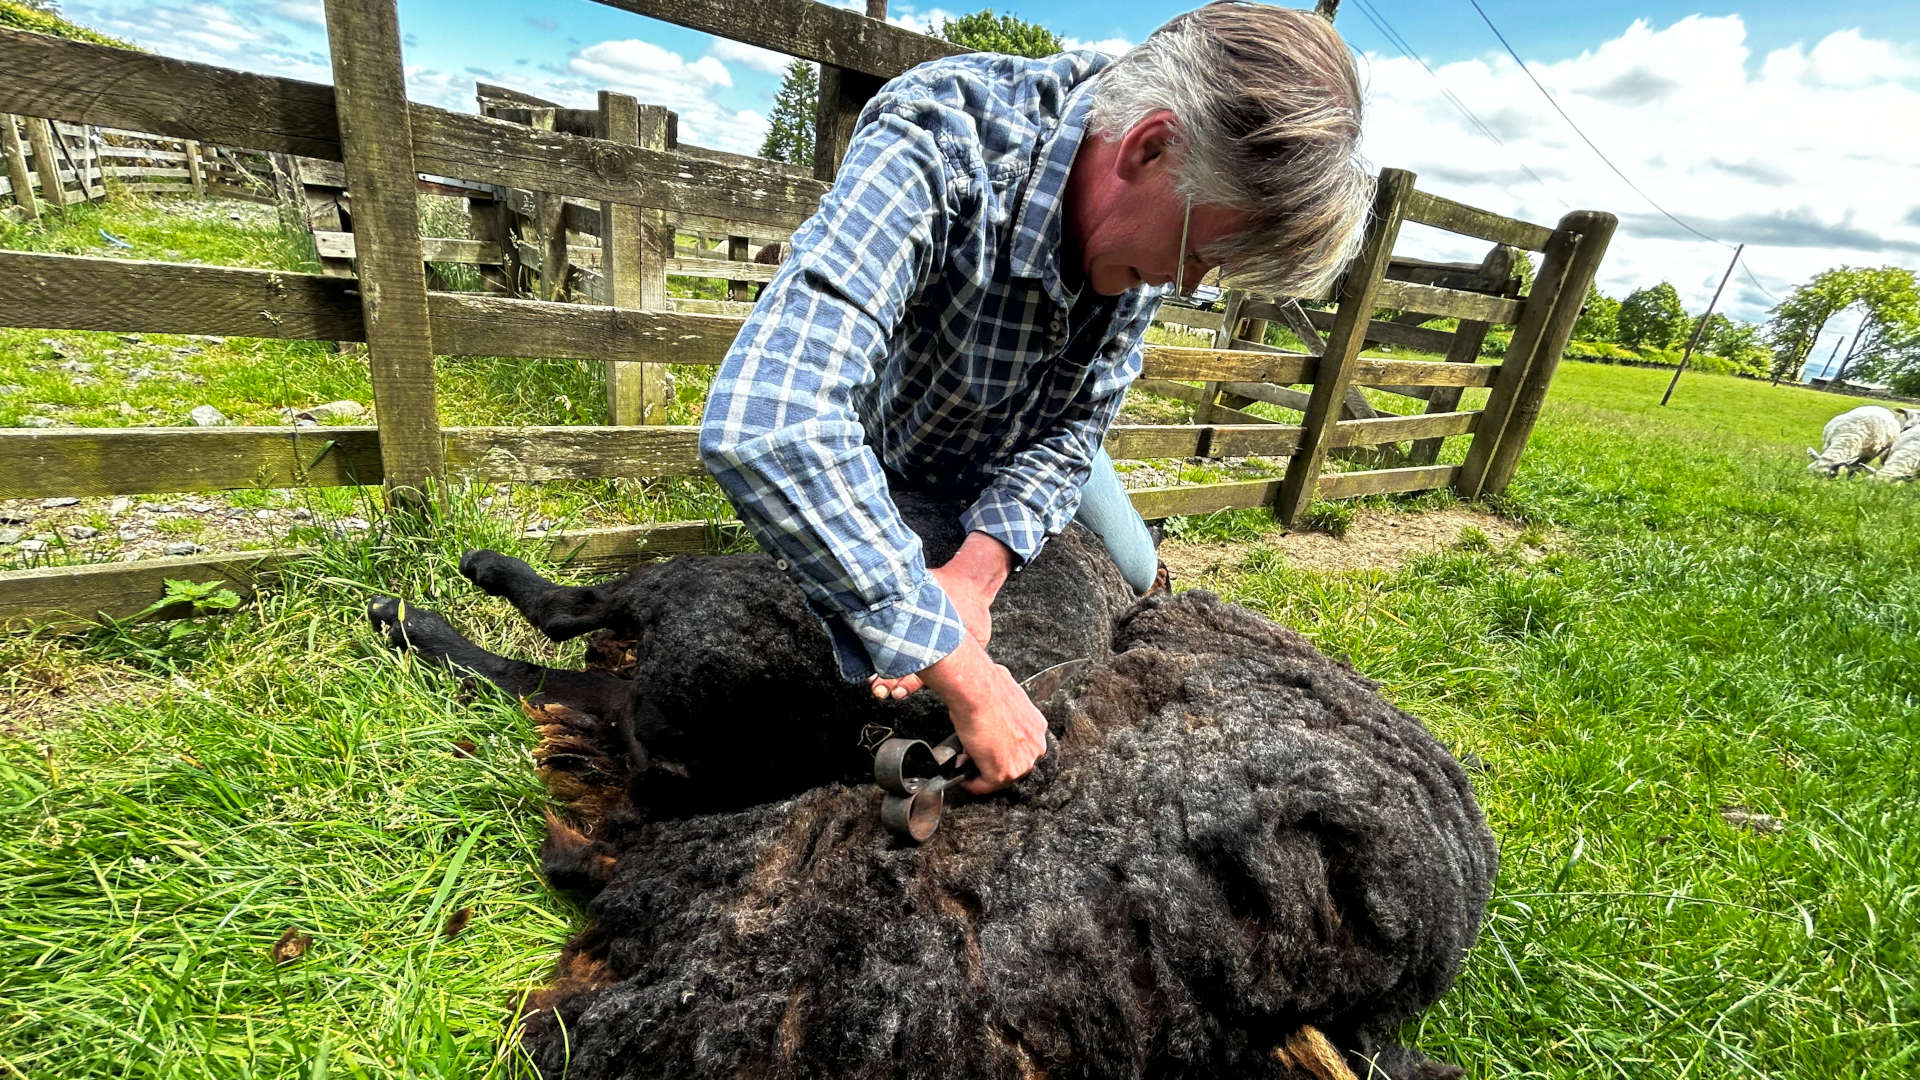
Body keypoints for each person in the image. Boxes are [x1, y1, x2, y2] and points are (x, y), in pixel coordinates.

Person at [699, 1, 1371, 794]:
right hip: (895, 446)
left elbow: (1078, 425)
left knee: (1135, 568)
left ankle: (1134, 590)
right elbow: (770, 418)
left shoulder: (1156, 214)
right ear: (1150, 146)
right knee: (854, 635)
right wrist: (961, 671)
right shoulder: (939, 140)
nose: (1187, 284)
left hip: (1020, 442)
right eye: (1197, 253)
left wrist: (975, 577)